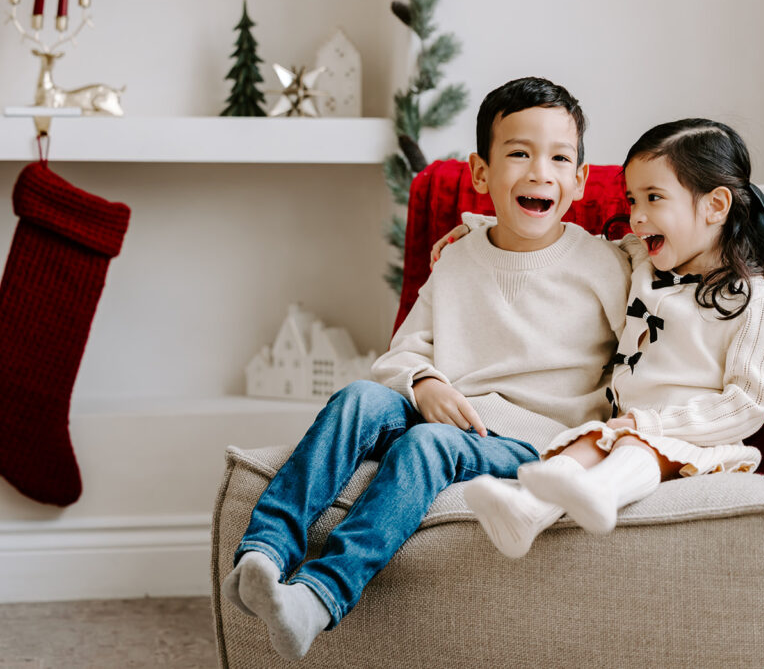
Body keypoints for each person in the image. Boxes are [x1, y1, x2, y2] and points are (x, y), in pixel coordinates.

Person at [219, 76, 632, 660]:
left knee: (427, 446)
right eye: (519, 153)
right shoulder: (460, 256)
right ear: (482, 173)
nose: (541, 172)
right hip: (445, 410)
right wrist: (424, 379)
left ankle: (319, 595)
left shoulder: (603, 262)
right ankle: (265, 550)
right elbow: (403, 350)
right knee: (359, 397)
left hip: (531, 441)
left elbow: (670, 313)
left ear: (580, 181)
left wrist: (757, 350)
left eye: (559, 158)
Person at [464, 118, 764, 556]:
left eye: (654, 199)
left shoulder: (752, 301)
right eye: (632, 199)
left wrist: (651, 425)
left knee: (633, 445)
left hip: (693, 440)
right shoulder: (639, 262)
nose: (637, 217)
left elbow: (745, 404)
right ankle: (525, 511)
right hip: (621, 425)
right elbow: (562, 245)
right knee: (584, 442)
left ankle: (603, 492)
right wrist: (477, 235)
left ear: (715, 206)